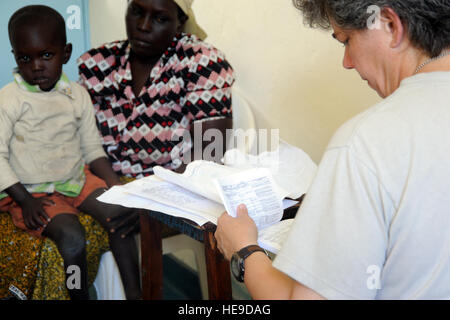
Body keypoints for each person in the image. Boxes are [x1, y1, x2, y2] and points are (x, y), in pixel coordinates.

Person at [215, 0, 450, 300]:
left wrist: (243, 250)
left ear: (390, 26)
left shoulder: (365, 142)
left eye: (347, 41)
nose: (347, 62)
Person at [0, 5, 141, 300]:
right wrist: (24, 200)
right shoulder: (10, 99)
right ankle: (80, 296)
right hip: (31, 190)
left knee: (120, 216)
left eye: (46, 55)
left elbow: (92, 148)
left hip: (75, 179)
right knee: (72, 238)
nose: (36, 65)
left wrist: (117, 189)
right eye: (26, 57)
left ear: (65, 53)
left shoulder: (76, 95)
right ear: (15, 56)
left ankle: (135, 294)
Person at [77, 0, 235, 179]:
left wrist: (155, 195)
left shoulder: (201, 62)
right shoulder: (100, 62)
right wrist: (116, 190)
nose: (143, 26)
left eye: (160, 19)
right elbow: (74, 135)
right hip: (101, 186)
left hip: (175, 188)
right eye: (136, 12)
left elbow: (210, 152)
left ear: (179, 23)